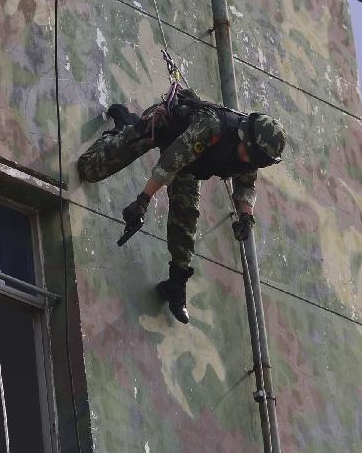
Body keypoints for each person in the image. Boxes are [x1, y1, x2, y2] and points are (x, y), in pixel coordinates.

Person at [77, 87, 286, 325]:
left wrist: (246, 217)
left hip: (190, 167)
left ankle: (176, 284)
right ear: (245, 138)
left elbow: (246, 187)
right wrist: (143, 201)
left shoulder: (252, 155)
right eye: (251, 154)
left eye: (257, 160)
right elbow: (169, 163)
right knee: (90, 170)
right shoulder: (213, 127)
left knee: (186, 218)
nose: (249, 161)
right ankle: (123, 128)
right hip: (163, 131)